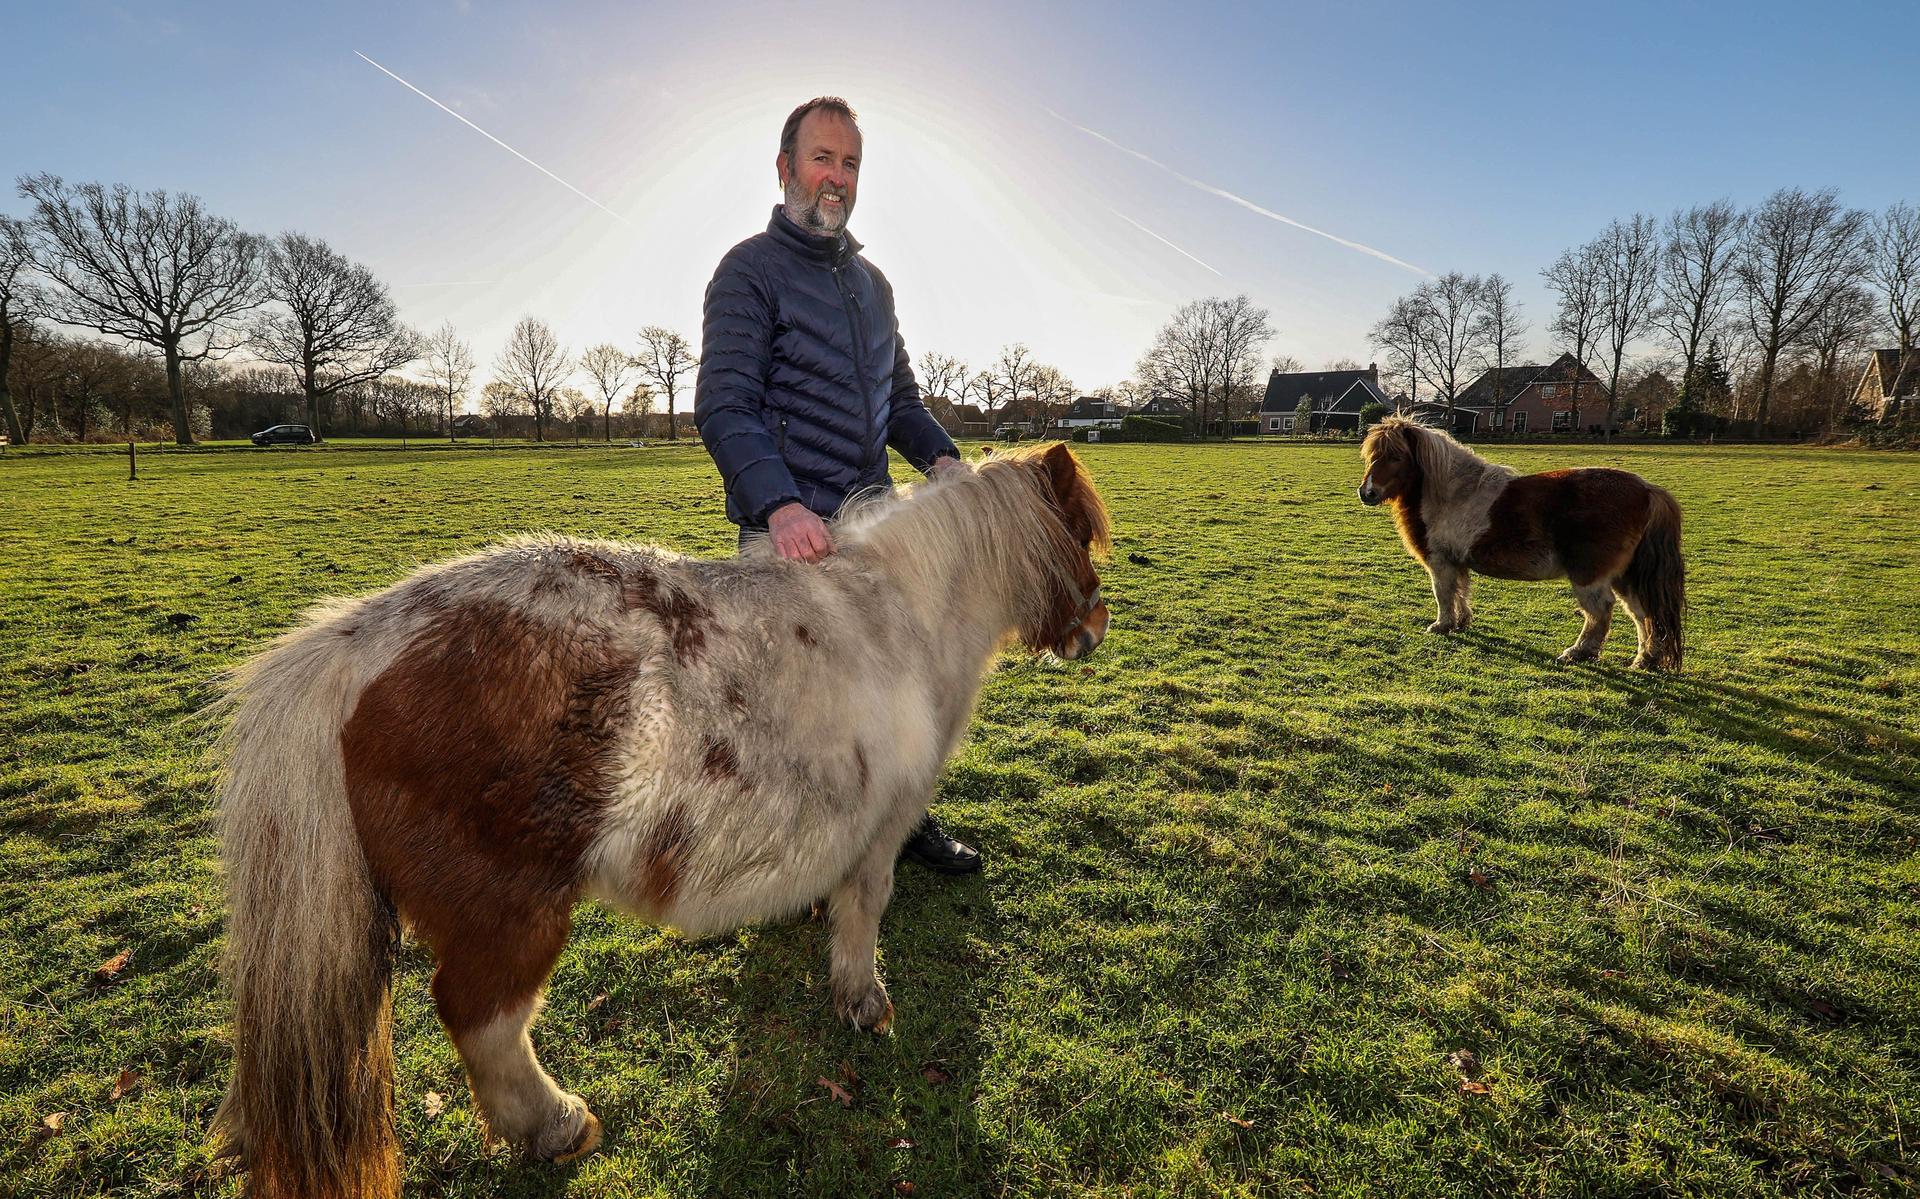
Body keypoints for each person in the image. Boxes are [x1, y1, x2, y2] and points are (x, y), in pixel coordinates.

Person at [693, 96, 980, 875]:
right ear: (786, 167)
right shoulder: (749, 272)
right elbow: (723, 405)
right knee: (800, 718)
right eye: (823, 159)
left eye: (850, 164)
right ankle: (798, 859)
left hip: (876, 532)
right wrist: (780, 506)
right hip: (791, 535)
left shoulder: (874, 286)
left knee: (902, 691)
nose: (837, 177)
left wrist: (944, 460)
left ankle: (902, 820)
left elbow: (902, 403)